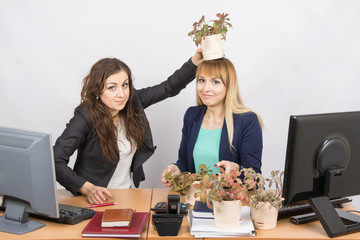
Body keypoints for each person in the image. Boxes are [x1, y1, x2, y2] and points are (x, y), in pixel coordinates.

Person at [54, 50, 203, 204]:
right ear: (98, 90)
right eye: (112, 87)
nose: (122, 94)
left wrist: (195, 61)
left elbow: (169, 87)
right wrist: (88, 189)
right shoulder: (85, 116)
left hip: (127, 195)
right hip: (92, 201)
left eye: (125, 85)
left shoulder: (133, 102)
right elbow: (55, 160)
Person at [161, 57, 263, 187]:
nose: (205, 88)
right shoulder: (191, 115)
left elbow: (255, 177)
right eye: (201, 80)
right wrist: (176, 169)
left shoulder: (247, 121)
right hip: (198, 201)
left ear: (229, 85)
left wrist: (236, 169)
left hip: (232, 202)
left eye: (215, 82)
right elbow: (185, 162)